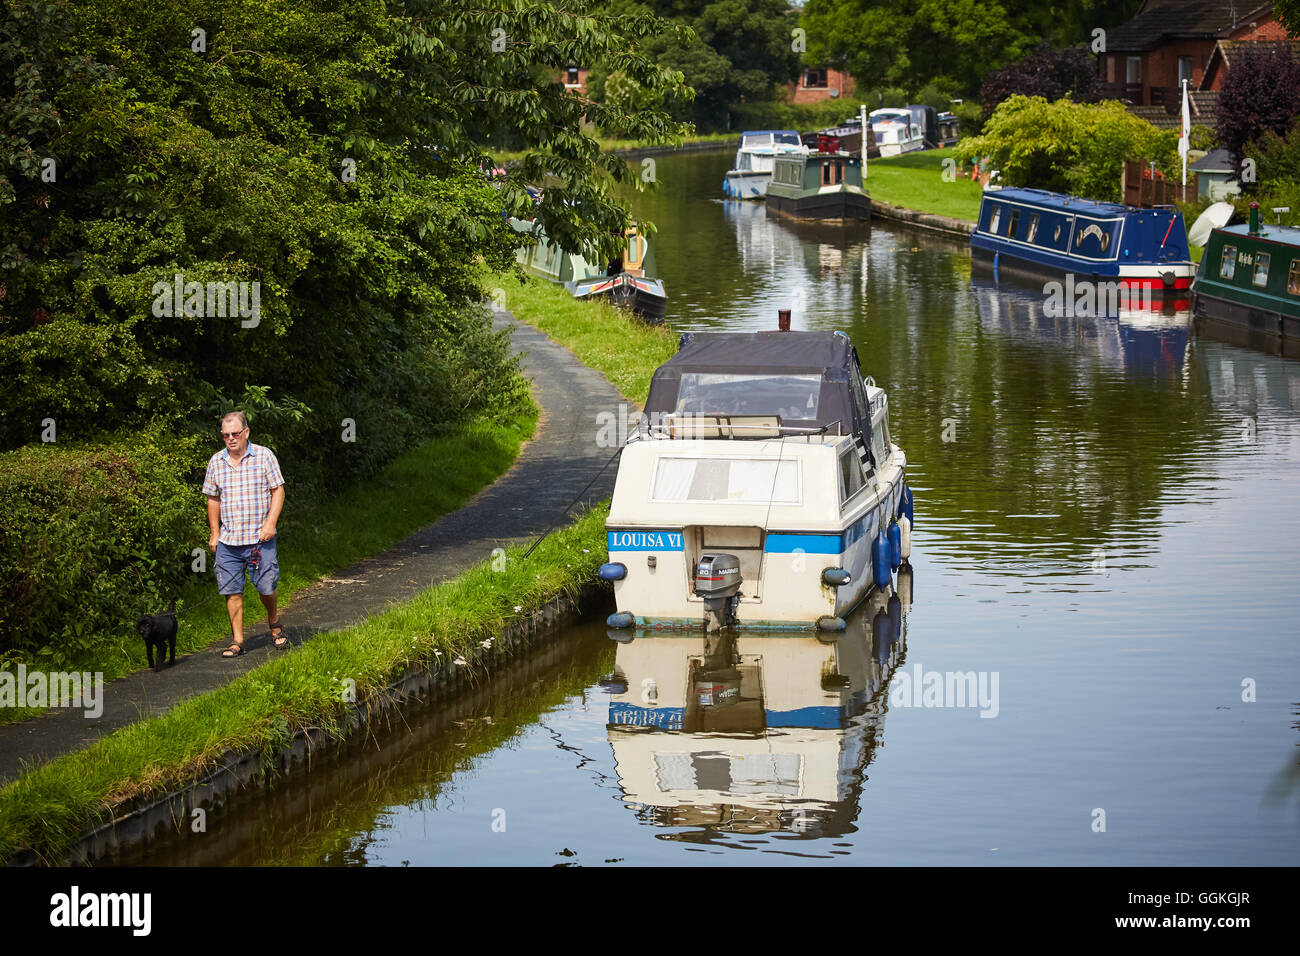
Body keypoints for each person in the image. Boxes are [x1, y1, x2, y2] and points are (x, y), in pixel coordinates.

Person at [202, 411, 287, 657]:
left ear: (246, 432)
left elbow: (278, 491)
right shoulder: (216, 461)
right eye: (225, 435)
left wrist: (270, 524)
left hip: (260, 538)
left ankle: (274, 622)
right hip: (229, 541)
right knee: (232, 590)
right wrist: (214, 532)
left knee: (266, 587)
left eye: (235, 433)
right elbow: (213, 498)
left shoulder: (264, 456)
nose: (230, 438)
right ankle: (237, 641)